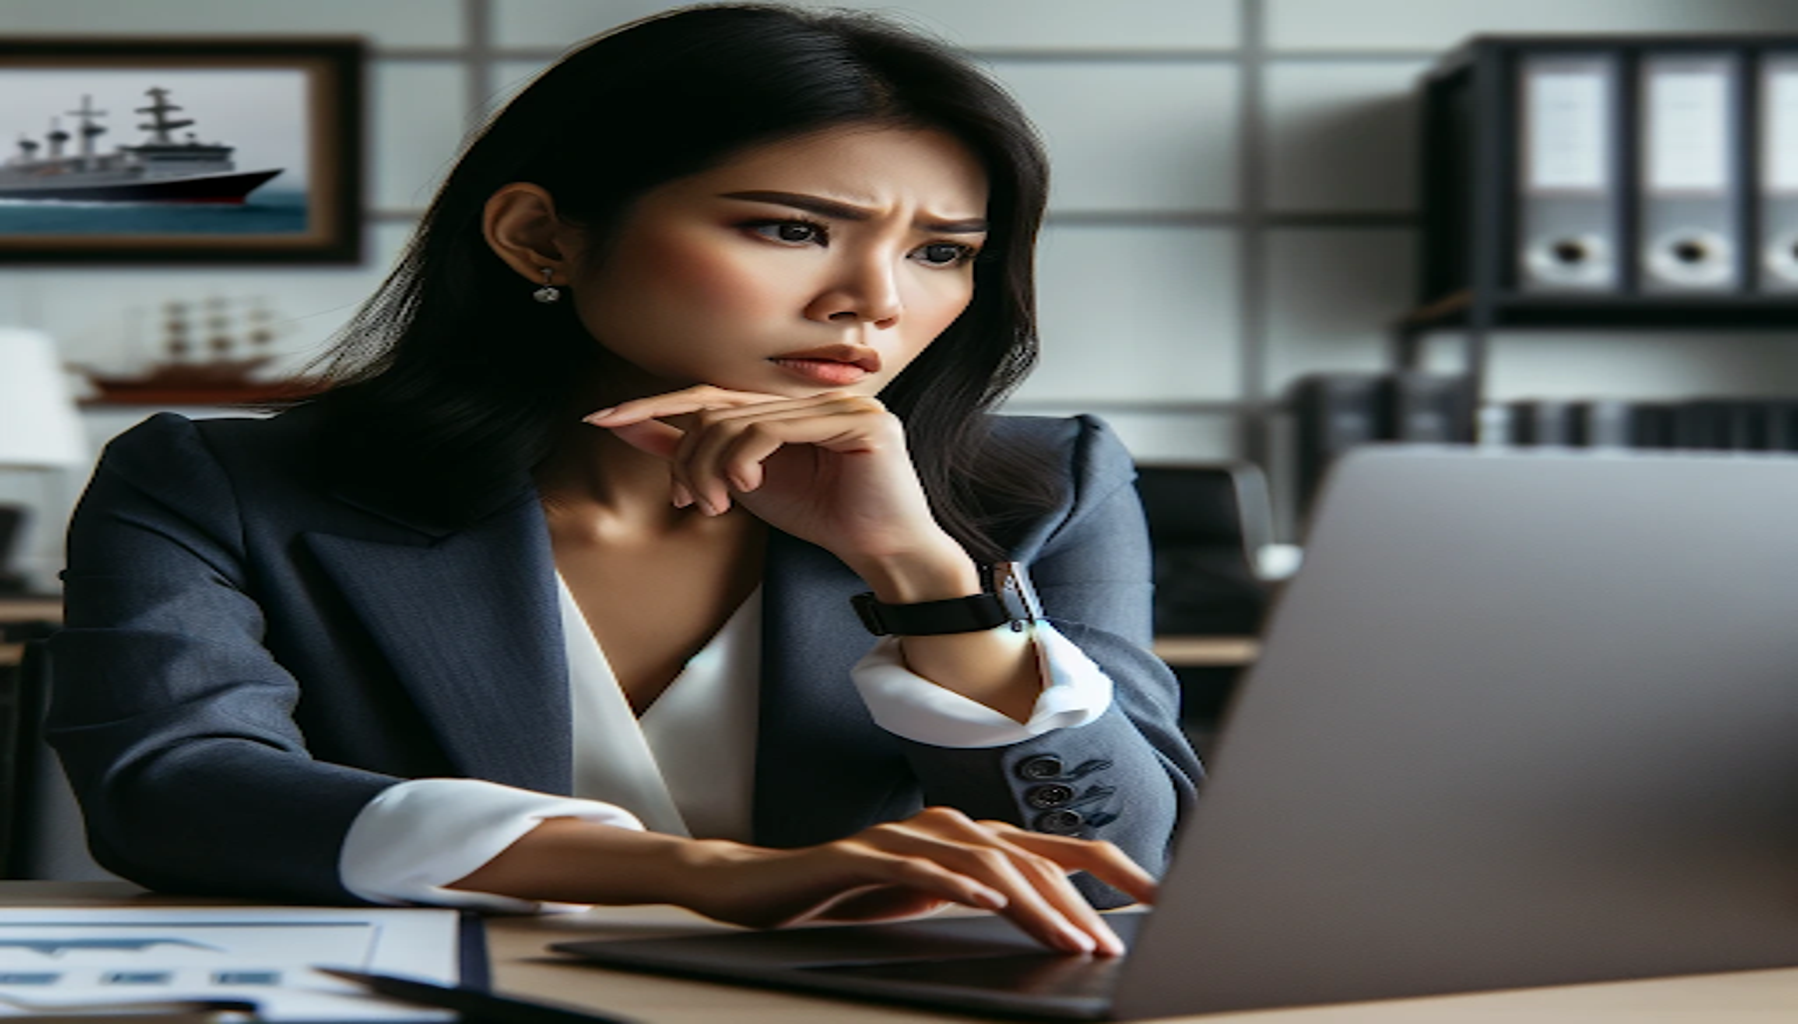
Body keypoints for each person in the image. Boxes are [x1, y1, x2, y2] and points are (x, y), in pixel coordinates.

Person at [48, 3, 1202, 957]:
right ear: (539, 236)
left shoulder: (1043, 484)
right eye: (793, 229)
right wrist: (703, 874)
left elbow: (1122, 866)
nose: (877, 299)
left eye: (940, 250)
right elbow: (173, 790)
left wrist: (919, 571)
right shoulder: (219, 482)